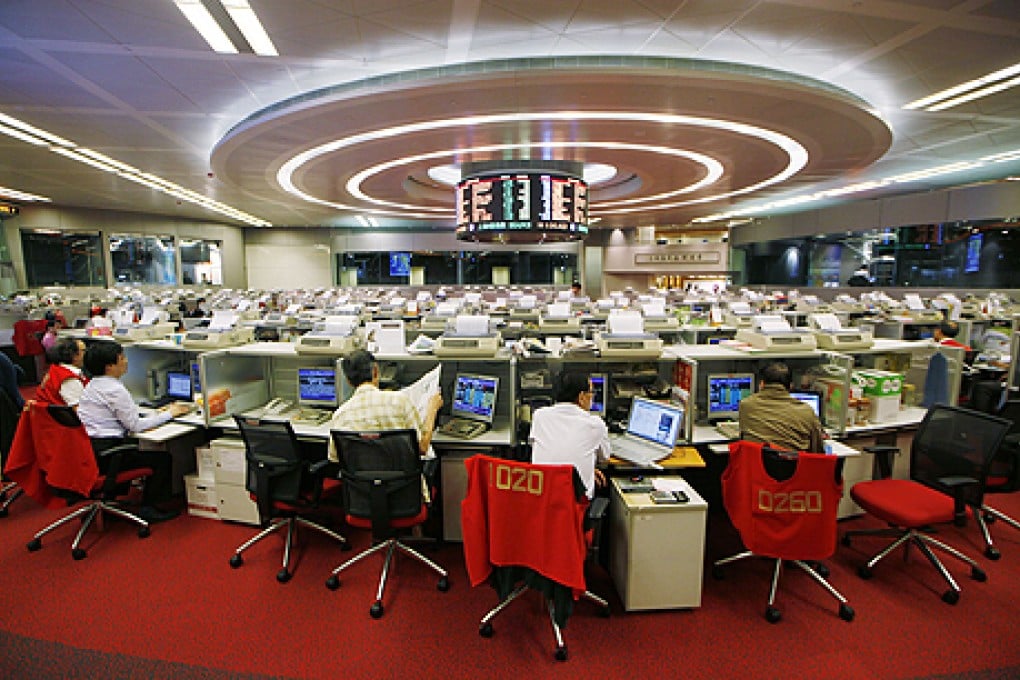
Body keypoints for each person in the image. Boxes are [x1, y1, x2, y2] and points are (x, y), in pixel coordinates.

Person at [77, 340, 192, 522]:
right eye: (122, 358)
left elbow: (116, 415)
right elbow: (135, 426)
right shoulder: (114, 389)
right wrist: (170, 413)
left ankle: (113, 497)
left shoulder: (92, 385)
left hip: (91, 451)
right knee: (162, 459)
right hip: (109, 454)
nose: (126, 362)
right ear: (109, 366)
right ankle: (150, 508)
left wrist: (153, 413)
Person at [327, 349, 443, 464]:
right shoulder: (400, 401)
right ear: (376, 371)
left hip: (362, 482)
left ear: (348, 381)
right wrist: (432, 410)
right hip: (402, 482)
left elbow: (334, 458)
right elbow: (422, 448)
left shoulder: (339, 415)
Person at [529, 370, 611, 499]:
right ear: (581, 397)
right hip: (576, 505)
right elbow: (604, 458)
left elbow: (552, 453)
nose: (592, 396)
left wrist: (585, 470)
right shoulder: (595, 424)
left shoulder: (539, 416)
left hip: (543, 501)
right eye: (591, 392)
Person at [738, 361, 826, 454]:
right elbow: (817, 451)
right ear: (791, 386)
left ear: (762, 384)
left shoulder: (746, 405)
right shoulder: (807, 411)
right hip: (794, 466)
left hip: (757, 466)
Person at [36, 337, 87, 407]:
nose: (87, 353)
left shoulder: (56, 368)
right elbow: (79, 411)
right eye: (84, 350)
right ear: (74, 356)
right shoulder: (70, 380)